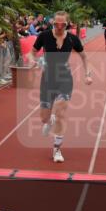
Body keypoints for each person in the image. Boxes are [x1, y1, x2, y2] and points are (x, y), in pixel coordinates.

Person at [32, 10, 92, 163]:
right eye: (56, 24)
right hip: (47, 80)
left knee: (60, 113)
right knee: (44, 118)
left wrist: (88, 74)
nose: (59, 26)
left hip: (64, 78)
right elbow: (31, 53)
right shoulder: (44, 36)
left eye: (62, 24)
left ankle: (57, 149)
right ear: (52, 23)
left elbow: (84, 57)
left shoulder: (72, 39)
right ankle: (48, 121)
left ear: (67, 24)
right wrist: (34, 61)